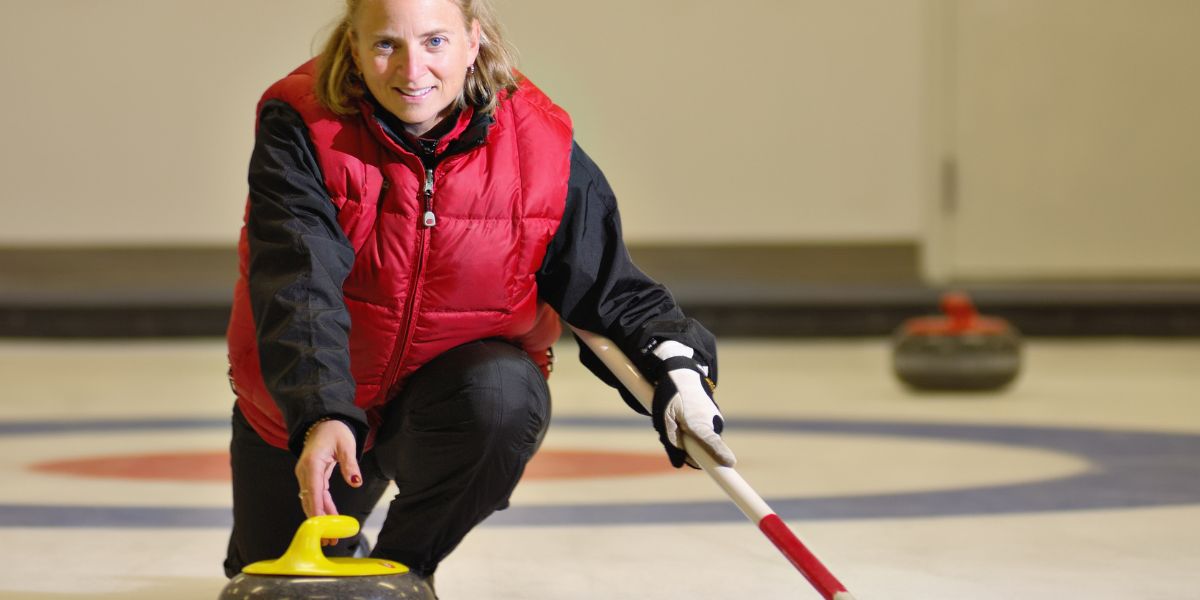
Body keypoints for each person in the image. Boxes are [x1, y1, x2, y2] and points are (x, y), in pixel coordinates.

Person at [223, 0, 736, 587]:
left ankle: (401, 571)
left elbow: (609, 286)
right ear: (354, 48)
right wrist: (319, 409)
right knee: (274, 587)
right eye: (386, 44)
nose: (412, 70)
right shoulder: (301, 123)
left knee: (503, 397)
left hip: (448, 397)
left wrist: (679, 369)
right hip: (318, 401)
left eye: (435, 42)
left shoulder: (540, 143)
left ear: (475, 40)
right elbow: (298, 276)